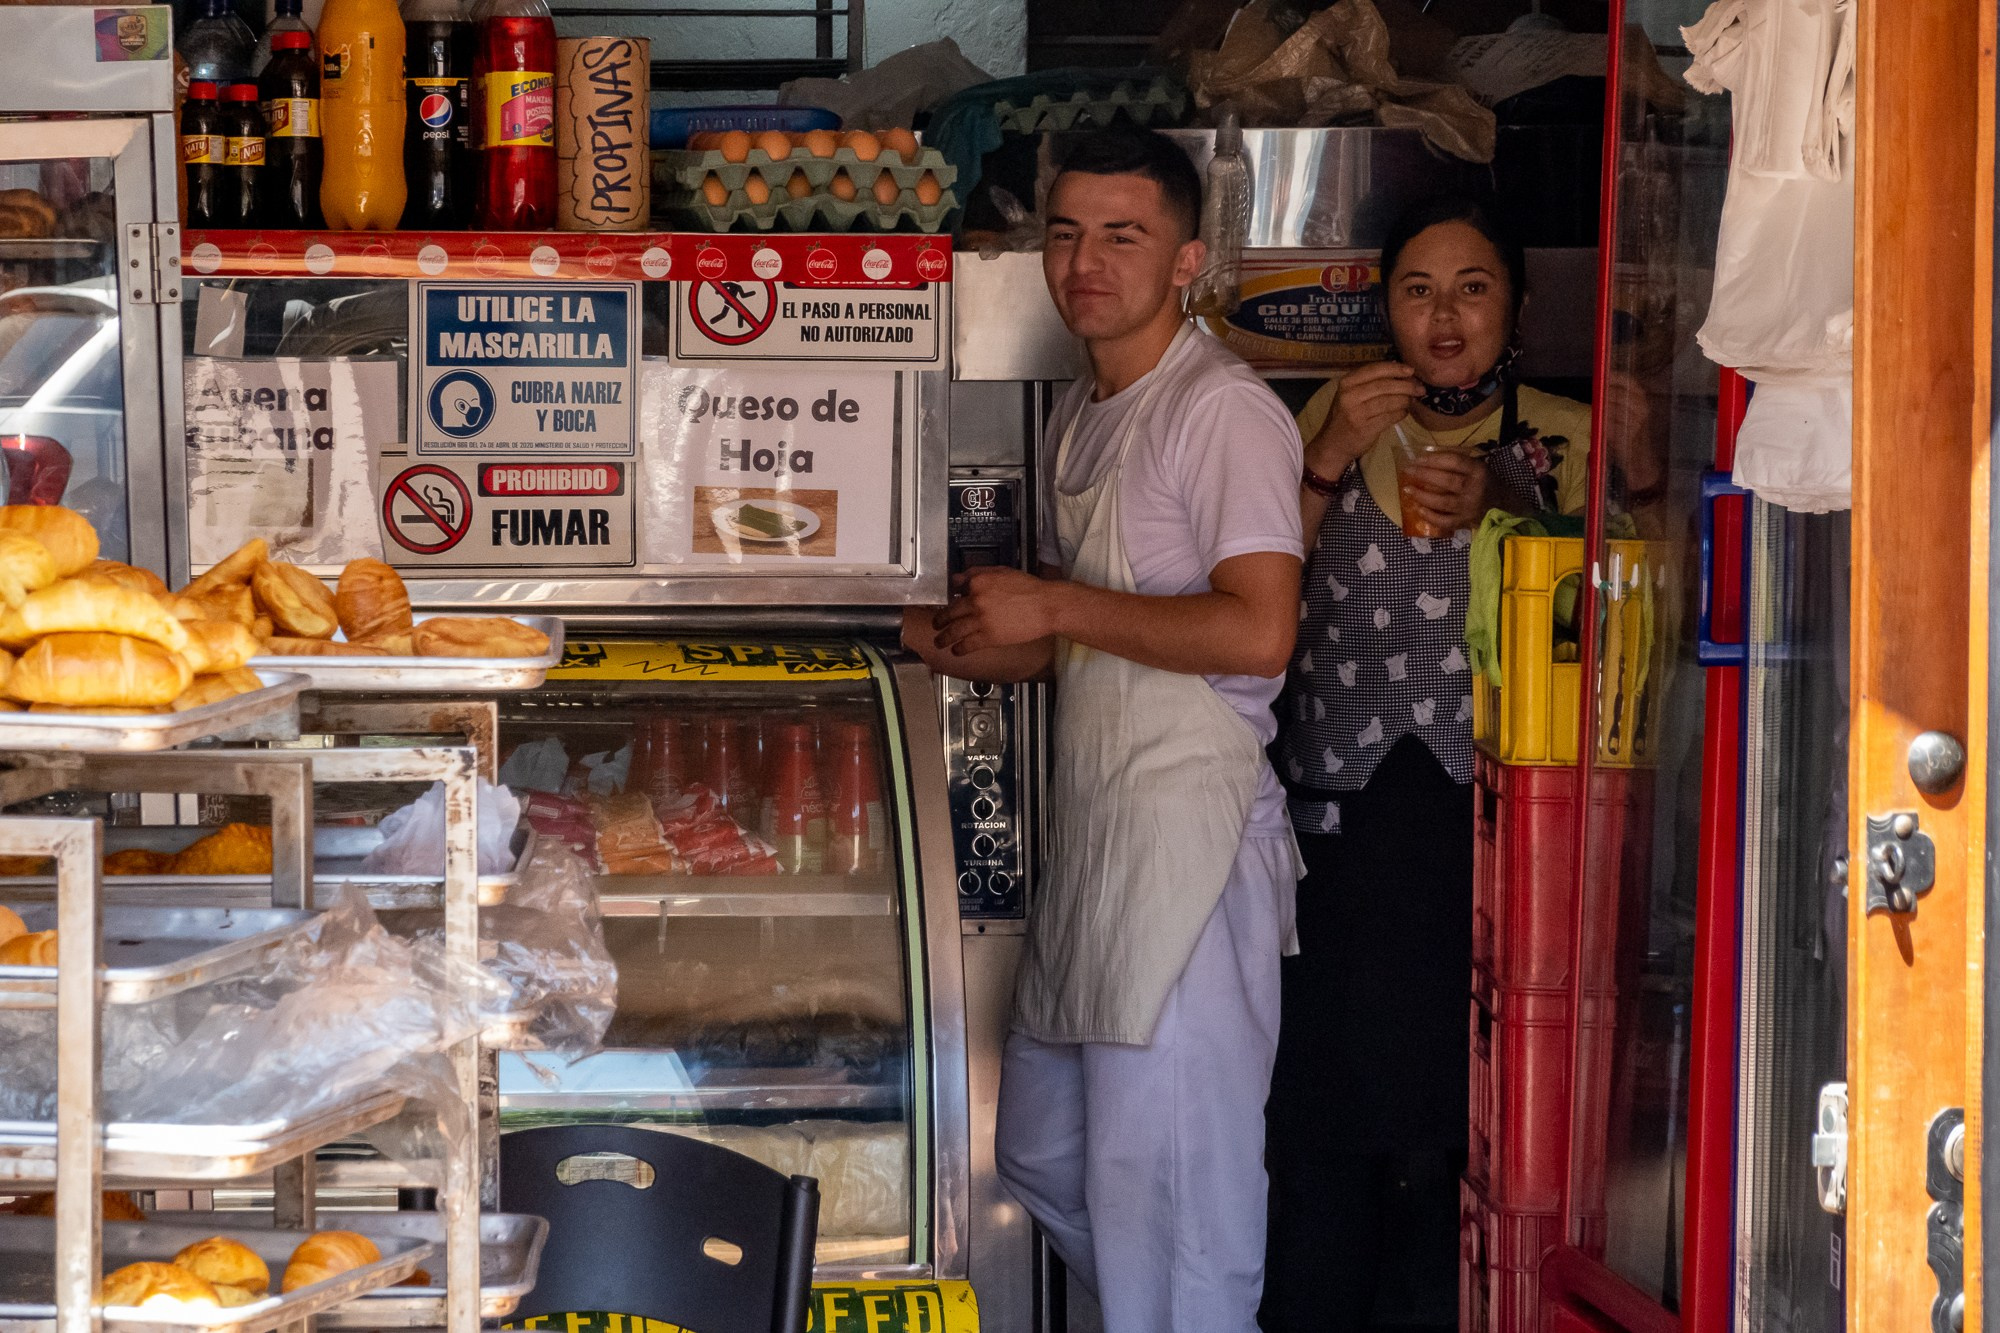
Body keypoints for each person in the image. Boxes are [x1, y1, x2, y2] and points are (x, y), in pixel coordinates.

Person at [903, 128, 1305, 1332]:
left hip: (1189, 851)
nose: (1084, 261)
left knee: (1175, 1204)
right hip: (1098, 856)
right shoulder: (1090, 410)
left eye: (1121, 236)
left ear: (1186, 259)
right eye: (1064, 232)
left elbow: (1255, 631)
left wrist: (1059, 603)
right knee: (1042, 1154)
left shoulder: (1220, 411)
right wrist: (913, 630)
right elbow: (1082, 644)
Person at [1261, 195, 1592, 1332]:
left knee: (1447, 1118)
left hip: (1490, 824)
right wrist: (1326, 456)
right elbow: (1257, 578)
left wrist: (1514, 499)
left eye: (1470, 287)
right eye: (1416, 289)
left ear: (1518, 305)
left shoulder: (1564, 430)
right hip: (1336, 821)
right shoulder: (1330, 411)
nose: (1442, 316)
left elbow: (1614, 610)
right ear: (1383, 310)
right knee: (1321, 1105)